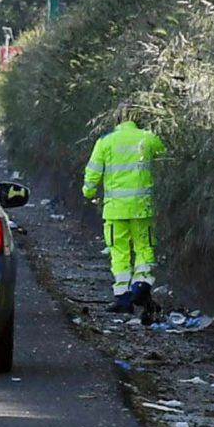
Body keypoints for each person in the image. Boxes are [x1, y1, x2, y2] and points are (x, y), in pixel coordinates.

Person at [84, 112, 165, 319]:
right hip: (142, 208)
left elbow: (93, 173)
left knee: (119, 252)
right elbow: (166, 157)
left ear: (116, 120)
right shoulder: (148, 137)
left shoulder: (105, 141)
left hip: (115, 210)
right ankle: (141, 285)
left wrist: (89, 192)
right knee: (144, 247)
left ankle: (122, 298)